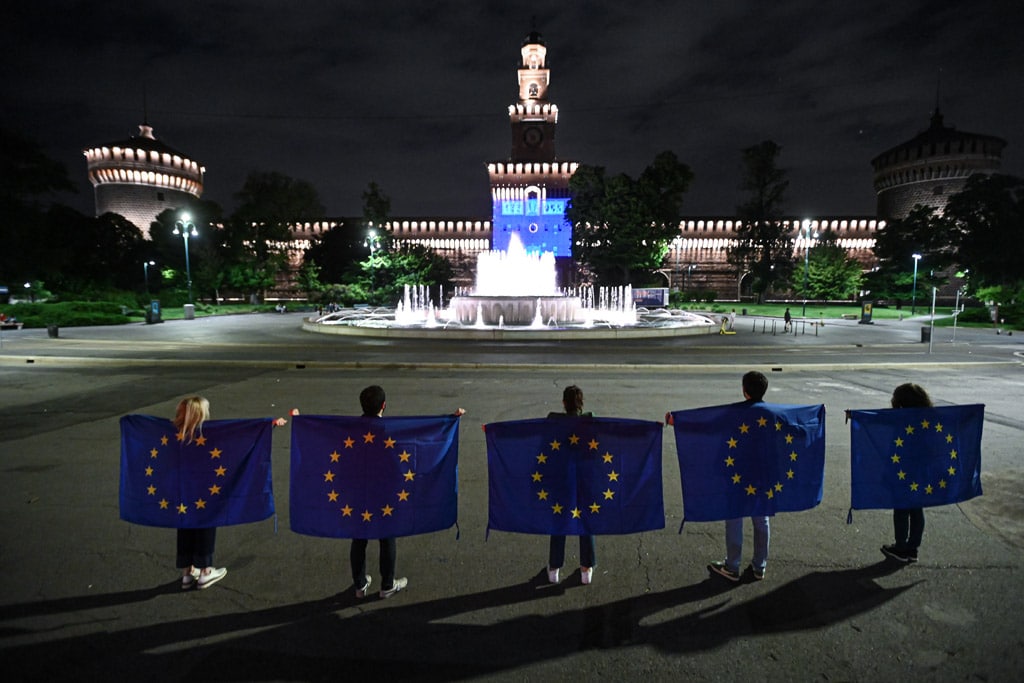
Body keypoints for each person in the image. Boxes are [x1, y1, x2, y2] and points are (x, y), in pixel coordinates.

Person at [350, 385, 465, 599]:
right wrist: (451, 419)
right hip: (383, 494)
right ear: (384, 405)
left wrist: (301, 422)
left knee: (359, 537)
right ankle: (387, 585)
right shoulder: (389, 430)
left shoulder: (350, 429)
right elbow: (422, 433)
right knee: (387, 536)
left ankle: (359, 585)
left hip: (358, 494)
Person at [174, 396, 287, 590]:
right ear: (202, 413)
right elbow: (240, 434)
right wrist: (270, 425)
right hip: (207, 491)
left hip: (183, 491)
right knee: (206, 526)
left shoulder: (172, 432)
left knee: (185, 525)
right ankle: (205, 572)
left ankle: (186, 572)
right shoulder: (210, 432)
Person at [707, 371, 771, 583]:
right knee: (761, 520)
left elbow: (708, 424)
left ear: (744, 392)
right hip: (762, 478)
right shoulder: (773, 413)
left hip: (738, 478)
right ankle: (759, 566)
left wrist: (677, 420)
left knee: (734, 518)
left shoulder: (735, 413)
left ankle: (732, 566)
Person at [546, 385, 597, 585]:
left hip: (561, 480)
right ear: (581, 403)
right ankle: (586, 569)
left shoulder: (553, 420)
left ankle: (554, 568)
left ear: (564, 403)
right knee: (586, 522)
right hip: (584, 479)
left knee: (559, 521)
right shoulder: (590, 421)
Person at [881, 383, 933, 563]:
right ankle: (913, 547)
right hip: (920, 472)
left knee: (902, 509)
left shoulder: (903, 420)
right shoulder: (927, 419)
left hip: (903, 472)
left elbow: (878, 419)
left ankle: (901, 547)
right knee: (917, 510)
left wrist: (856, 416)